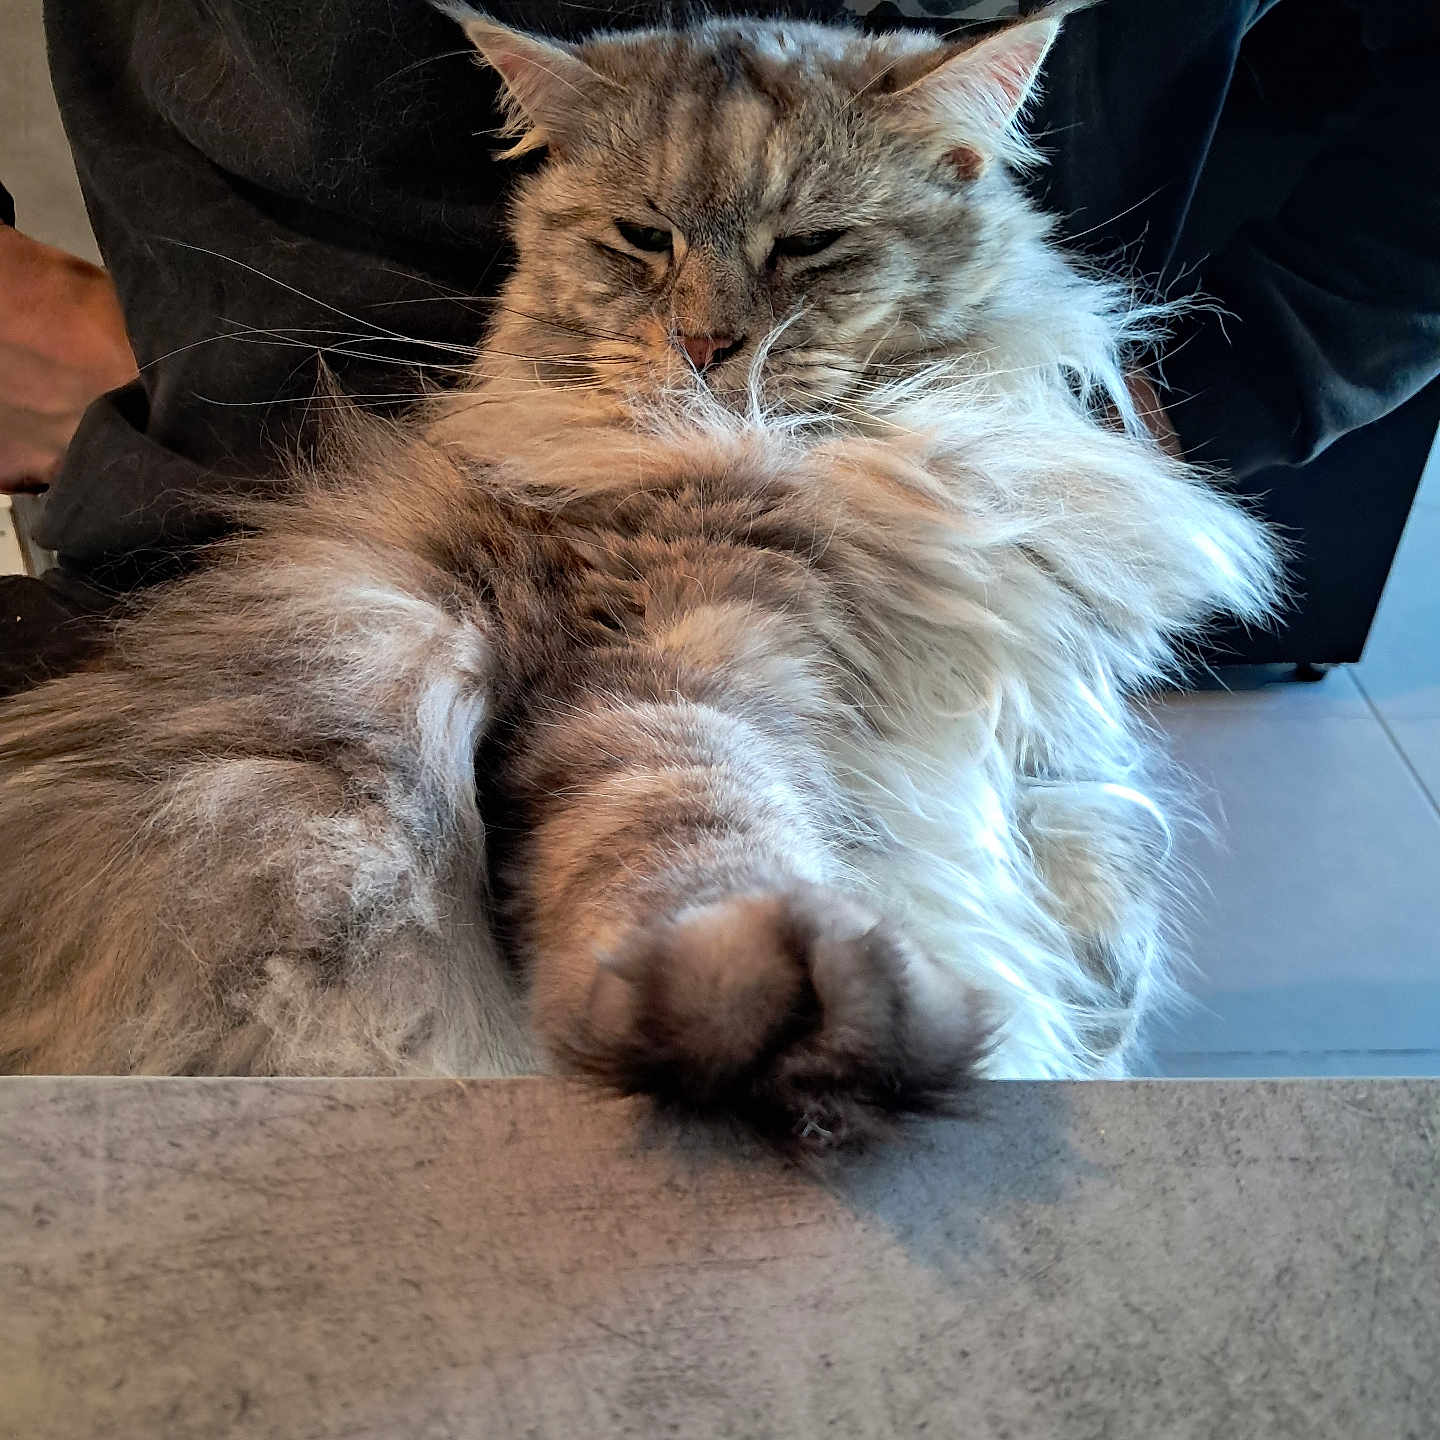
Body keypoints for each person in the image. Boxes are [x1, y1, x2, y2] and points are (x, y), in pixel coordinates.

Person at [1, 0, 1436, 696]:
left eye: (799, 255)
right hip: (277, 486)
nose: (709, 333)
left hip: (947, 527)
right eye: (653, 254)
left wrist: (1246, 380)